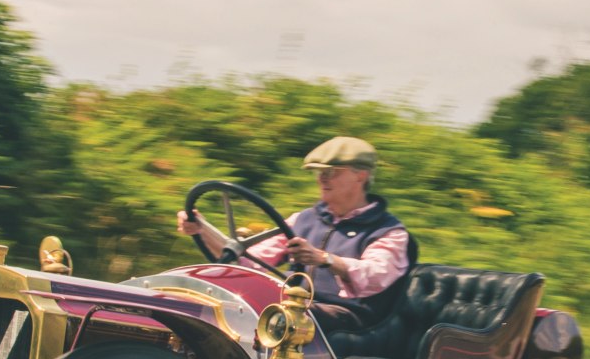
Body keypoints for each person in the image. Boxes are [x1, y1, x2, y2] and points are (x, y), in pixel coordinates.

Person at [176, 136, 415, 332]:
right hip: (291, 303)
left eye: (332, 172)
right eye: (319, 172)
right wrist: (202, 228)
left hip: (346, 315)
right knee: (215, 303)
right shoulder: (303, 219)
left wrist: (325, 259)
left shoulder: (388, 231)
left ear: (360, 175)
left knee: (276, 314)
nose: (322, 179)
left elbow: (375, 274)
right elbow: (247, 260)